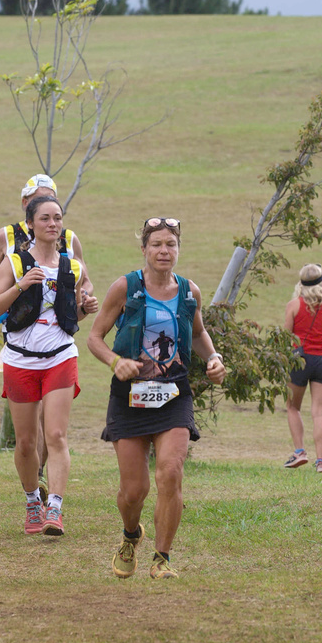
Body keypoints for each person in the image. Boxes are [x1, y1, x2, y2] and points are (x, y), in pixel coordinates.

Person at [88, 217, 227, 579]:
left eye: (171, 244)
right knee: (134, 491)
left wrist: (213, 358)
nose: (164, 251)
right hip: (129, 397)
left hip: (174, 395)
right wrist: (115, 362)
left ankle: (161, 559)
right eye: (157, 244)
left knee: (170, 472)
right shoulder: (125, 287)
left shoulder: (188, 292)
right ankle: (130, 535)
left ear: (178, 249)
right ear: (144, 249)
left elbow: (198, 334)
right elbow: (95, 337)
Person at [0, 174, 97, 501]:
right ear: (26, 209)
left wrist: (84, 304)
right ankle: (34, 487)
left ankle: (52, 499)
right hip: (20, 347)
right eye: (38, 206)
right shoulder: (7, 237)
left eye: (55, 210)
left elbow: (83, 284)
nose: (51, 221)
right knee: (27, 438)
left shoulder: (70, 241)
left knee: (55, 430)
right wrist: (8, 311)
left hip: (58, 349)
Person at [282, 263, 322, 474]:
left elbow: (285, 339)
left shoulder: (293, 305)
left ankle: (300, 452)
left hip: (299, 360)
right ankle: (321, 462)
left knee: (292, 407)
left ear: (301, 284)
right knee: (319, 412)